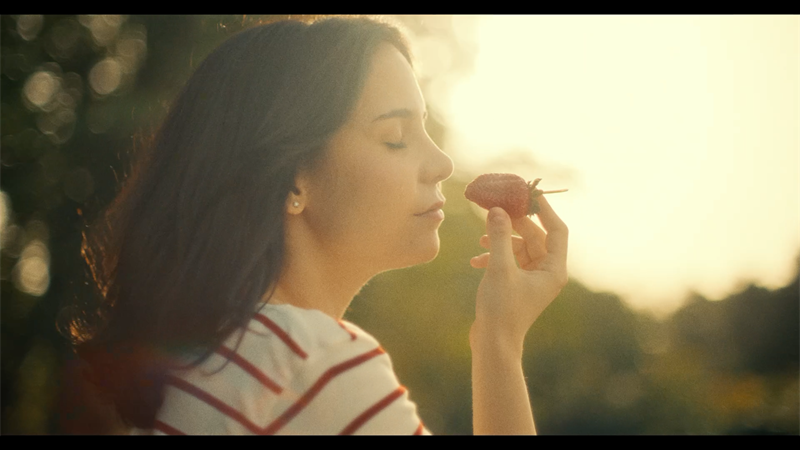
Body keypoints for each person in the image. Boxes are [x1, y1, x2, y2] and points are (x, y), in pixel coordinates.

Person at [66, 15, 569, 435]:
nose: (440, 163)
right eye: (396, 137)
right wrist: (499, 343)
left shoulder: (215, 359)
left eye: (428, 131)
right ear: (291, 182)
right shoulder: (310, 362)